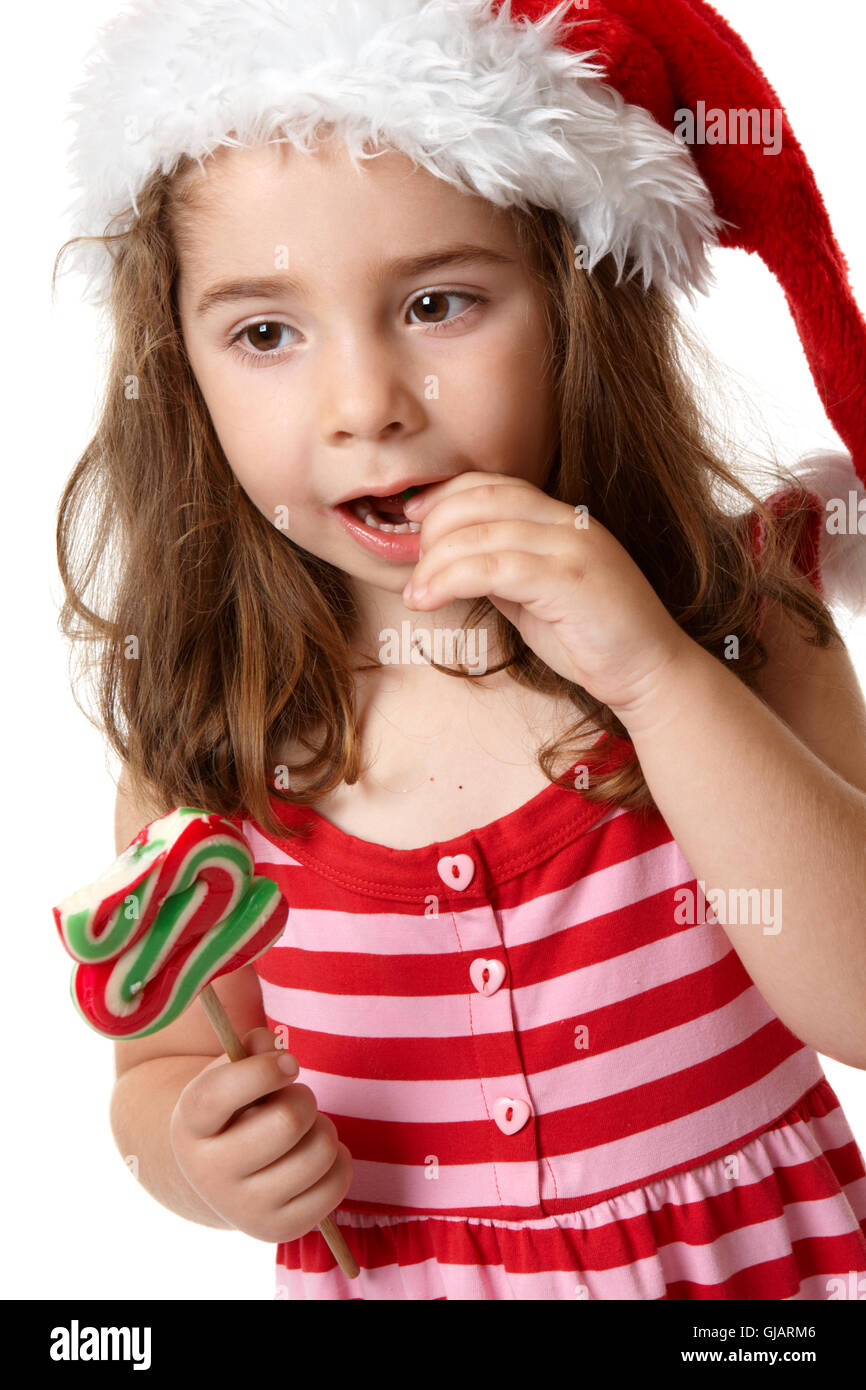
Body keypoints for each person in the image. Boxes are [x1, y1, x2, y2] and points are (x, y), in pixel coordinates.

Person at [53, 0, 866, 1299]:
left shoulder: (739, 619)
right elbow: (156, 1069)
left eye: (438, 304)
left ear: (578, 308)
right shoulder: (216, 722)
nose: (365, 403)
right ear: (182, 366)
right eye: (266, 331)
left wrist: (657, 675)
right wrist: (190, 1158)